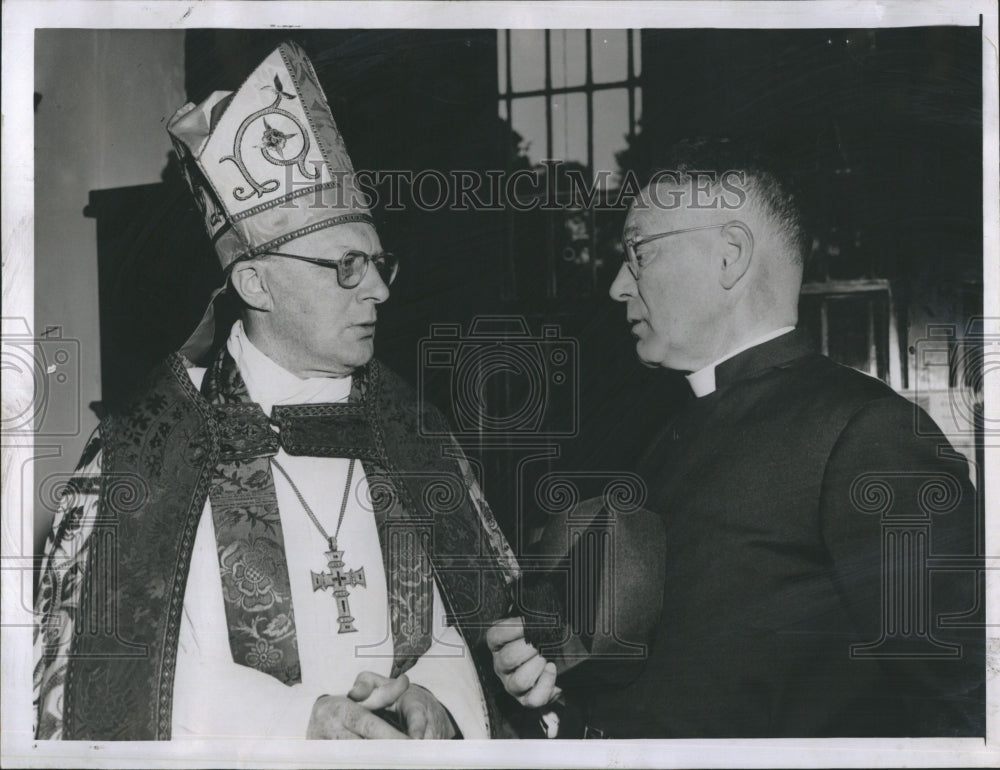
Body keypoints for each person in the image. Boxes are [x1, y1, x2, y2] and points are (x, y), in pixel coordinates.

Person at [33, 40, 520, 740]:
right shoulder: (144, 454)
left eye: (380, 262)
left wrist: (436, 706)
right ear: (255, 284)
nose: (379, 290)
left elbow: (459, 637)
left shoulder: (415, 433)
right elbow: (114, 696)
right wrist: (297, 725)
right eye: (345, 267)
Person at [488, 139, 984, 737]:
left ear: (730, 256)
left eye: (638, 251)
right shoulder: (663, 434)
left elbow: (964, 712)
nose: (619, 284)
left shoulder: (866, 434)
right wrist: (549, 682)